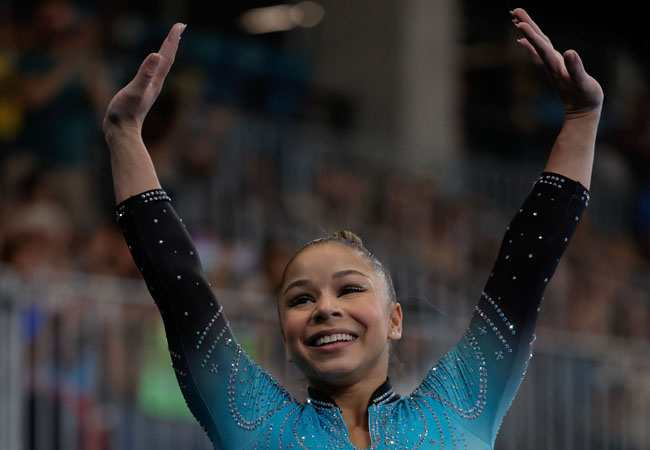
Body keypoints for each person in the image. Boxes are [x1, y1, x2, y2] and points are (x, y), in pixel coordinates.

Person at [103, 8, 602, 450]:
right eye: (300, 299)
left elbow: (523, 268)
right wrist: (125, 135)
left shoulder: (462, 405)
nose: (325, 307)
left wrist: (582, 119)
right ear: (283, 332)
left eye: (350, 288)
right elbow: (181, 288)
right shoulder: (251, 422)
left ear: (394, 319)